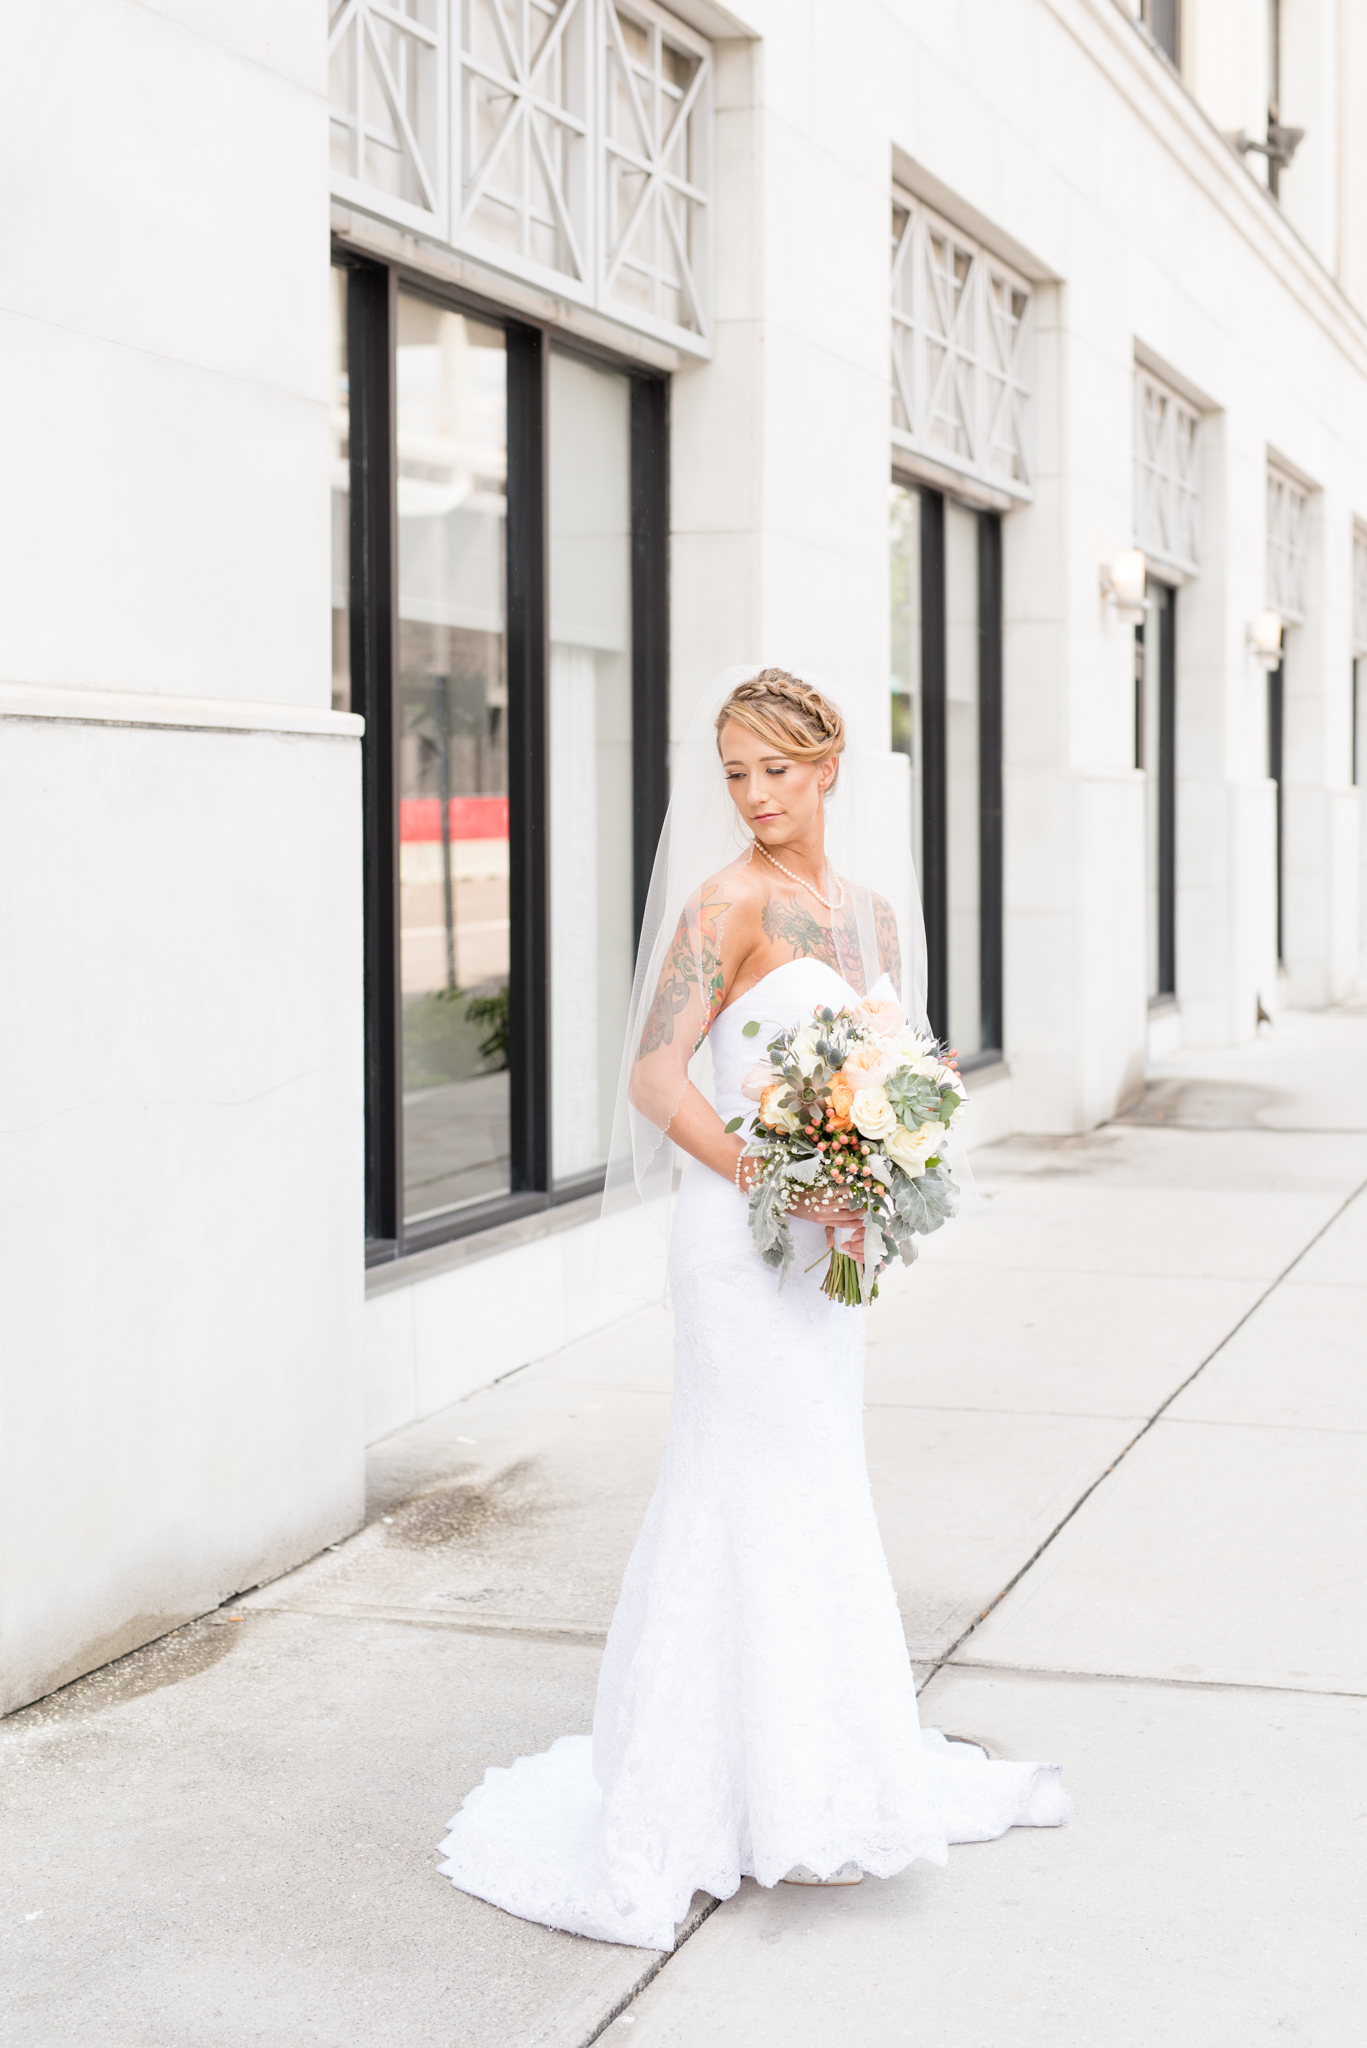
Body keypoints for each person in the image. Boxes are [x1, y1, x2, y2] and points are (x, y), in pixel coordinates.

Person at [437, 668, 1071, 1951]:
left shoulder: (872, 918)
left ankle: (811, 1770)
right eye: (732, 772)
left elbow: (902, 1062)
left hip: (828, 1250)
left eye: (775, 768)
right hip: (736, 1245)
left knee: (817, 1483)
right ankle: (713, 1789)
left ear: (828, 764)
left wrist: (880, 1171)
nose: (754, 794)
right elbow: (654, 1075)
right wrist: (781, 1178)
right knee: (741, 1477)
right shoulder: (721, 905)